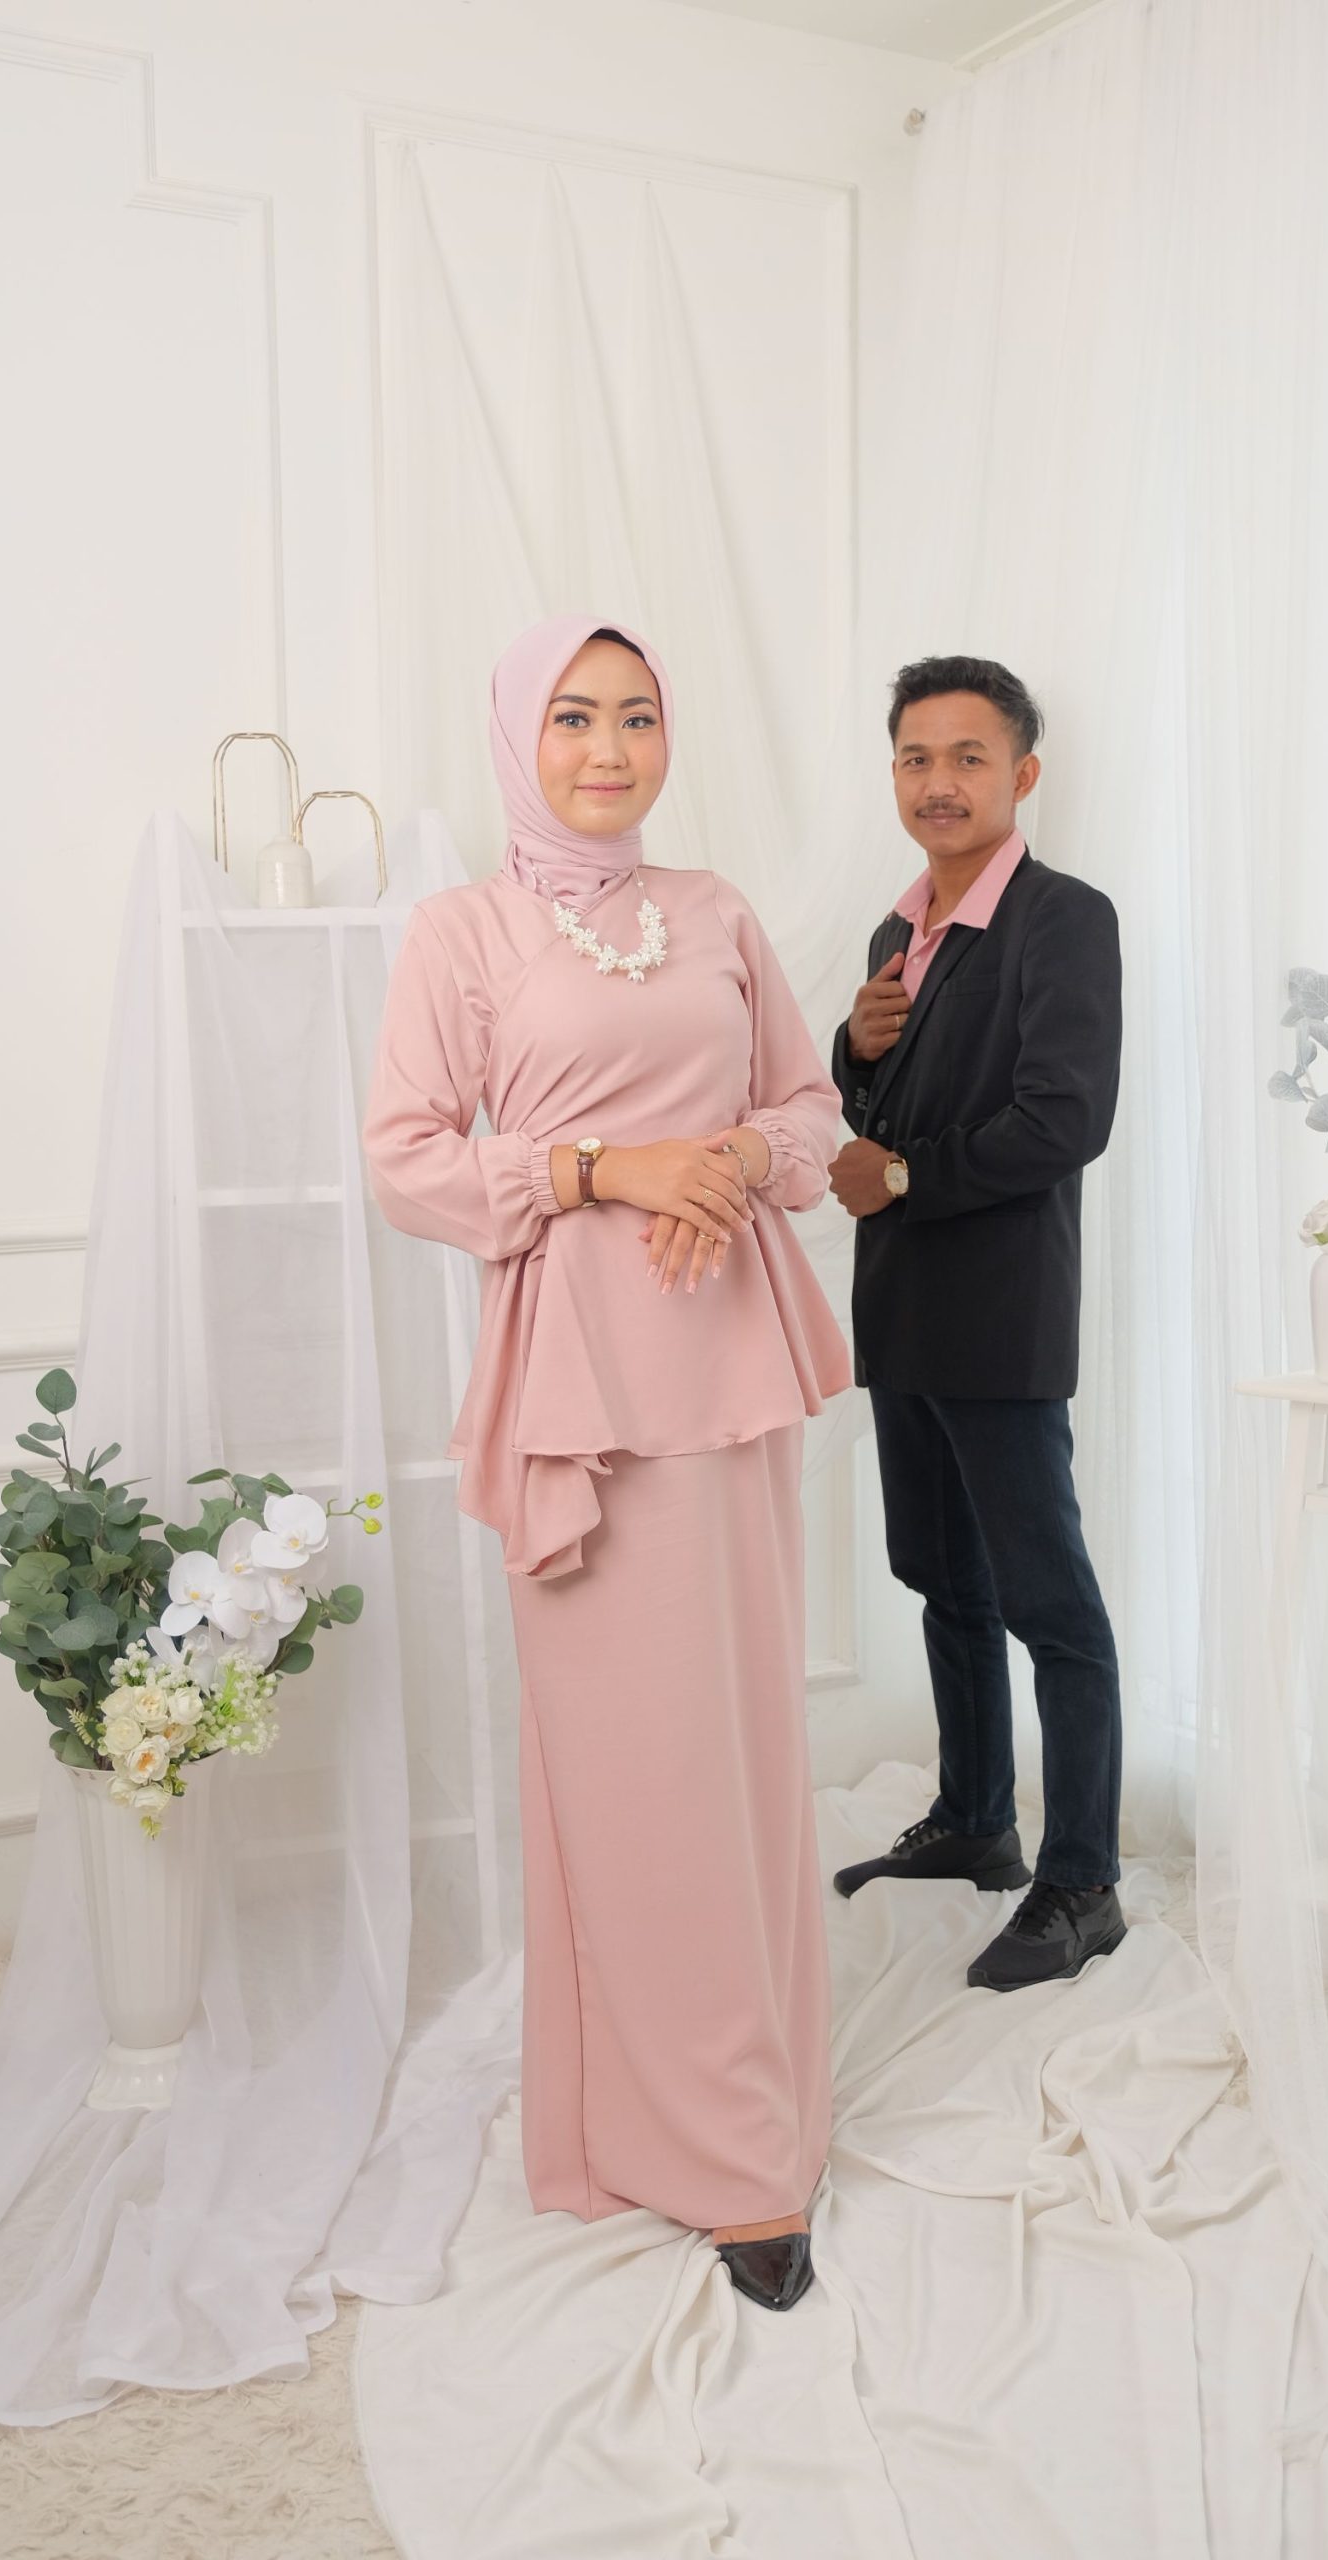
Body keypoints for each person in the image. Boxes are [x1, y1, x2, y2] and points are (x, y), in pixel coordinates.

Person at [363, 615, 850, 2311]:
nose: (608, 749)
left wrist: (727, 1158)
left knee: (741, 1745)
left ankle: (763, 2105)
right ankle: (705, 2154)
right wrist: (600, 1170)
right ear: (521, 737)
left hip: (731, 1365)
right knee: (635, 1767)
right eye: (574, 718)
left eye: (638, 717)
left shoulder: (714, 913)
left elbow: (810, 1116)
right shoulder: (467, 930)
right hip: (580, 1385)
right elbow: (407, 1161)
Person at [826, 654, 1126, 1993]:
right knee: (941, 1578)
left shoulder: (1064, 918)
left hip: (1001, 1317)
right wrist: (855, 1051)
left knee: (1048, 1601)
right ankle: (976, 1821)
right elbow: (880, 1109)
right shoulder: (895, 936)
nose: (938, 782)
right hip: (903, 1310)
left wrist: (901, 1176)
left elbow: (1065, 1119)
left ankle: (1084, 1881)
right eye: (915, 757)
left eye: (968, 757)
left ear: (1023, 774)